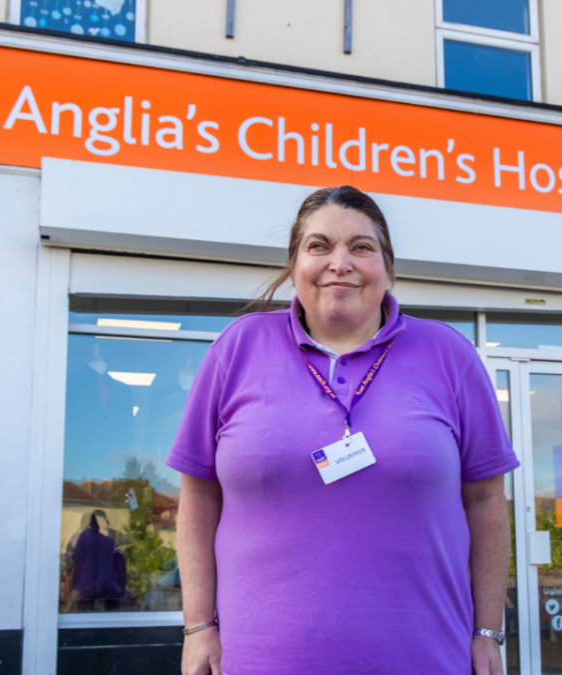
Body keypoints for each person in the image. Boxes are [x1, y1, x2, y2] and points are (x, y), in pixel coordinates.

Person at [168, 185, 520, 675]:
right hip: (256, 661)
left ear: (388, 268)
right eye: (319, 246)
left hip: (425, 658)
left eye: (361, 246)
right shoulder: (237, 348)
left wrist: (488, 632)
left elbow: (485, 500)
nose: (340, 263)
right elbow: (199, 495)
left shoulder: (449, 354)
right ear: (295, 265)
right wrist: (197, 626)